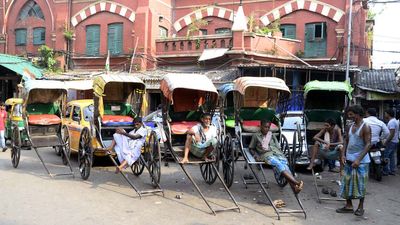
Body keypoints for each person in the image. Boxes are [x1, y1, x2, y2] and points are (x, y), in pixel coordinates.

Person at [249, 120, 304, 194]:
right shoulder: (256, 135)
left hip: (278, 154)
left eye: (268, 127)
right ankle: (296, 182)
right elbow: (251, 148)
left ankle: (294, 188)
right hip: (267, 155)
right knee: (279, 164)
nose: (267, 129)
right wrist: (255, 156)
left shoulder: (271, 135)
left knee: (285, 166)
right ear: (261, 126)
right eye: (265, 127)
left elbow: (278, 147)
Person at [336, 105, 371, 217]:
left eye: (351, 114)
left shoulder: (365, 127)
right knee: (346, 183)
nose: (349, 116)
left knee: (361, 185)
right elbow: (346, 140)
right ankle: (349, 205)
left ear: (358, 114)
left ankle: (360, 207)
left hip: (361, 161)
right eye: (348, 114)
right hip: (349, 159)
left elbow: (368, 144)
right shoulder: (350, 126)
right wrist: (343, 154)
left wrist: (358, 159)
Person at [383, 108, 399, 176]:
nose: (384, 115)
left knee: (386, 156)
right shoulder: (395, 121)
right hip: (395, 141)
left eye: (385, 113)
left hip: (391, 141)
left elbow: (391, 134)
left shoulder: (391, 122)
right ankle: (392, 170)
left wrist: (386, 142)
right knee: (392, 156)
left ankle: (386, 171)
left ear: (388, 114)